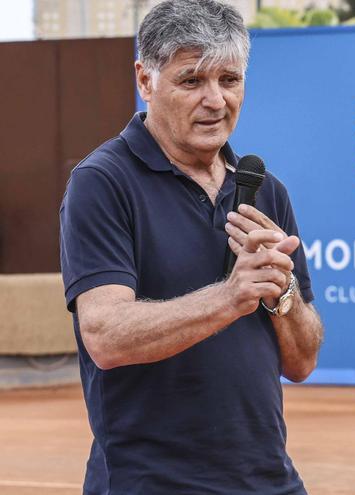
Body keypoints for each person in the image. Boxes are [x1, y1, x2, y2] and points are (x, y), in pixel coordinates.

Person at [59, 1, 324, 493]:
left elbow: (302, 363)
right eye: (191, 81)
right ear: (145, 81)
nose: (216, 101)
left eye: (229, 80)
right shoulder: (102, 183)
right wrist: (232, 296)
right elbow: (106, 337)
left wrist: (281, 293)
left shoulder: (265, 189)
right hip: (152, 482)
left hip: (266, 478)